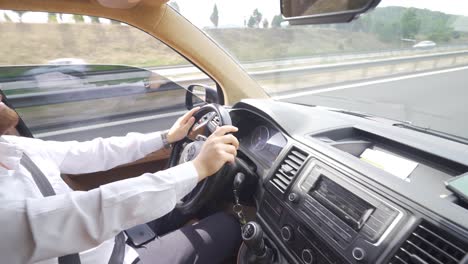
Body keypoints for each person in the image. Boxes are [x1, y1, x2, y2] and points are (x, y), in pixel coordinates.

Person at [0, 95, 242, 264]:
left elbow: (90, 152)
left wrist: (165, 138)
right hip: (111, 258)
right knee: (230, 226)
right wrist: (197, 168)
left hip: (112, 236)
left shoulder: (9, 145)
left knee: (194, 200)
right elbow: (91, 211)